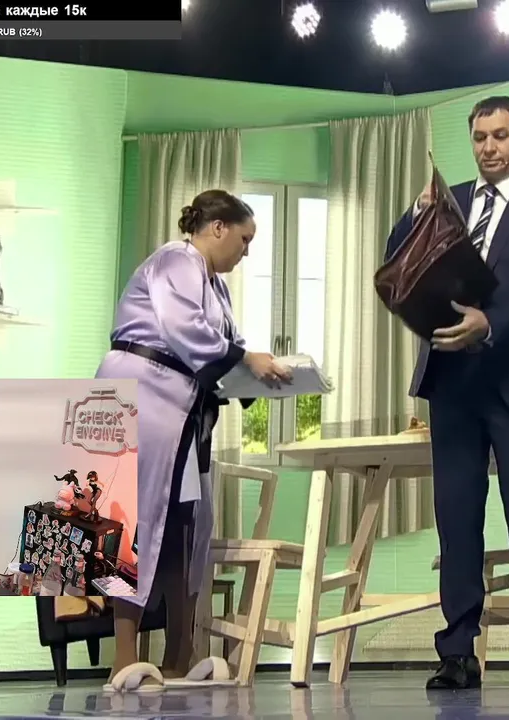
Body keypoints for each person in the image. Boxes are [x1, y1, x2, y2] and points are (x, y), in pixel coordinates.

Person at [384, 96, 509, 691]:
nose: (489, 147)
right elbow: (399, 259)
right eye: (480, 137)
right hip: (453, 385)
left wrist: (489, 323)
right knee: (457, 520)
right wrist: (415, 213)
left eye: (501, 135)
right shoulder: (448, 203)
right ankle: (457, 651)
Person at [96, 189, 292, 689]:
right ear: (218, 228)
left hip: (184, 407)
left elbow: (226, 348)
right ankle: (124, 656)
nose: (246, 251)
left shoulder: (216, 286)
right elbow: (185, 328)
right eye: (244, 239)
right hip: (141, 390)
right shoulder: (175, 259)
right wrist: (246, 361)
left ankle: (179, 655)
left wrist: (261, 374)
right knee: (130, 521)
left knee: (188, 524)